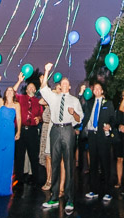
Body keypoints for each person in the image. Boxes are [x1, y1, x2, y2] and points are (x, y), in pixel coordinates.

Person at [40, 62, 83, 214]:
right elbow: (43, 88)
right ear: (60, 85)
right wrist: (46, 71)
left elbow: (79, 119)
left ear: (70, 87)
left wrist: (74, 113)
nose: (64, 85)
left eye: (67, 83)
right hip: (55, 130)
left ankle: (70, 199)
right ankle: (54, 197)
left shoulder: (75, 100)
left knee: (69, 165)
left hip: (68, 130)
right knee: (55, 163)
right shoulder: (54, 97)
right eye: (62, 83)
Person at [82, 82, 115, 203]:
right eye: (94, 89)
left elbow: (113, 119)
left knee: (105, 164)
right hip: (92, 135)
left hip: (103, 136)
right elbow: (83, 114)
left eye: (98, 88)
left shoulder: (108, 103)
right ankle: (94, 190)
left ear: (102, 91)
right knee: (93, 164)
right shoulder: (89, 103)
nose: (96, 90)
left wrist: (110, 126)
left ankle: (108, 192)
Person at [11, 71, 44, 186]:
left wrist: (39, 118)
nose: (30, 88)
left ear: (35, 90)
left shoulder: (39, 102)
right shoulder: (20, 98)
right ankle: (19, 180)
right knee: (19, 155)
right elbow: (12, 92)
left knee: (33, 155)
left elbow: (42, 115)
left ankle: (35, 179)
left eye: (33, 87)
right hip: (20, 130)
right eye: (29, 86)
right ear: (26, 90)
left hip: (32, 131)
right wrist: (19, 81)